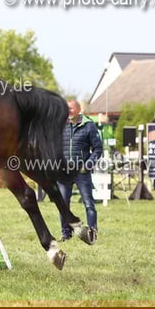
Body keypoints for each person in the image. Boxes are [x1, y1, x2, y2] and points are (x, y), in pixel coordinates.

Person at [56, 100, 103, 242]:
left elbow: (98, 149)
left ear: (78, 109)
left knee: (89, 204)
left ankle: (92, 232)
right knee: (63, 204)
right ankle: (66, 234)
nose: (68, 111)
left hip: (82, 172)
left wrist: (88, 165)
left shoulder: (89, 126)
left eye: (71, 108)